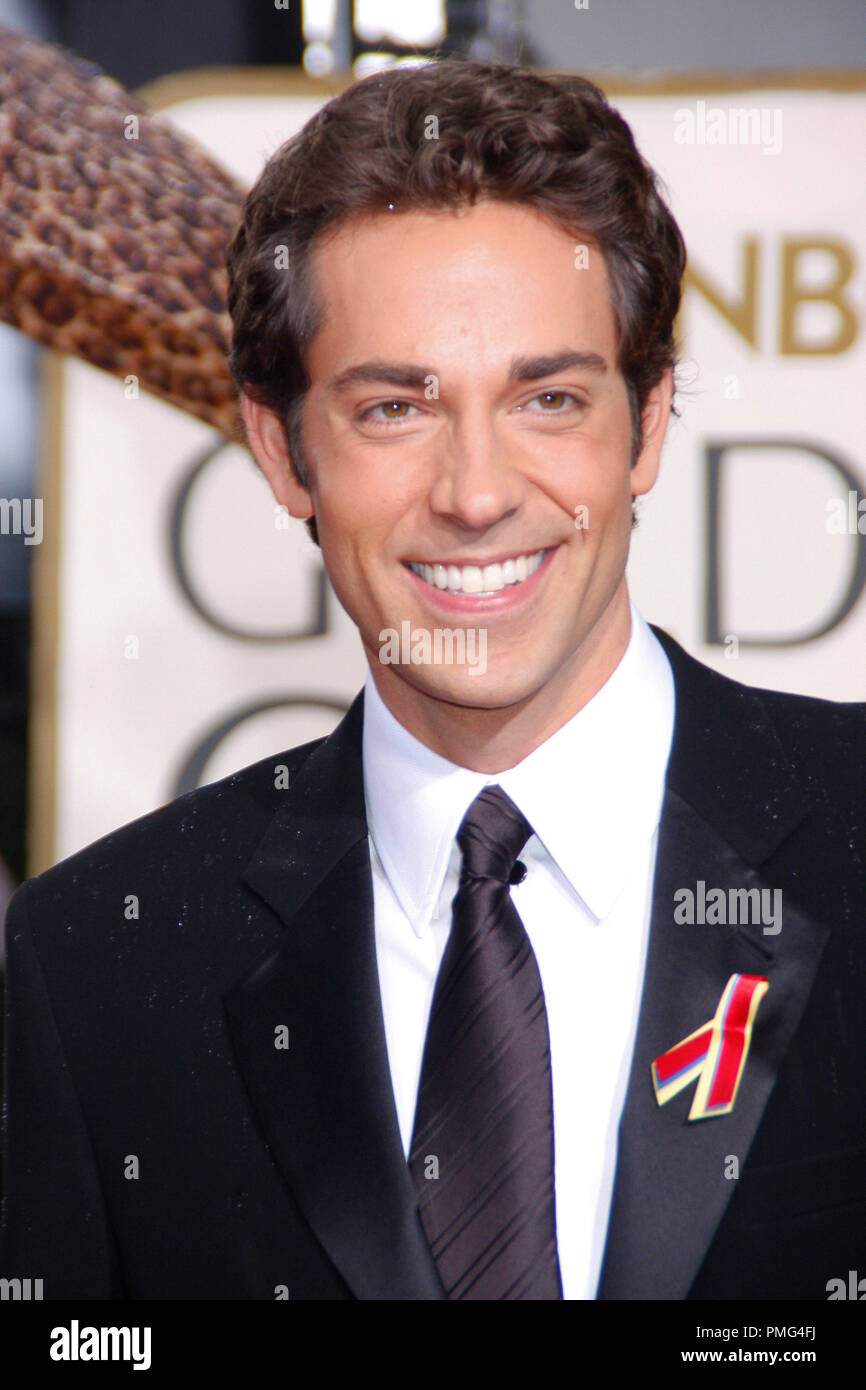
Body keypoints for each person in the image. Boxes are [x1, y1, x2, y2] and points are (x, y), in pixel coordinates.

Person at [2, 57, 864, 1301]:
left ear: (651, 420)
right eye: (395, 409)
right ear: (282, 451)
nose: (474, 492)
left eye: (549, 398)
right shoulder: (100, 966)